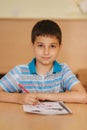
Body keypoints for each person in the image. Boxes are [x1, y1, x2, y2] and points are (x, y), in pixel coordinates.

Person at [0, 19, 86, 105]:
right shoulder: (20, 71)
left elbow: (83, 96)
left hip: (56, 118)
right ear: (32, 46)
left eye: (52, 46)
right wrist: (19, 98)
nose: (46, 52)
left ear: (60, 47)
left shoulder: (63, 70)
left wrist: (43, 96)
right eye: (41, 45)